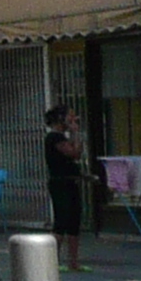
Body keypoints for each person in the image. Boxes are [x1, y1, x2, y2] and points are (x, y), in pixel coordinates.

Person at [43, 101, 87, 272]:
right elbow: (74, 153)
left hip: (71, 181)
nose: (73, 119)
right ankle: (52, 260)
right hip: (60, 182)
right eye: (70, 116)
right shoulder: (54, 137)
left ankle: (73, 261)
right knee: (61, 221)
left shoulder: (62, 137)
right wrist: (76, 134)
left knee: (74, 221)